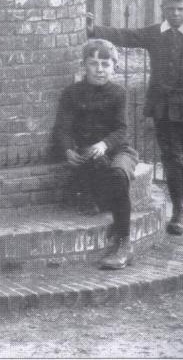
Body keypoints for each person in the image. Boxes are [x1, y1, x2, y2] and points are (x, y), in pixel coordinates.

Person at [88, 0, 183, 235]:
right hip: (163, 107)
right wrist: (93, 29)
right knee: (172, 157)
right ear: (162, 8)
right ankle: (178, 211)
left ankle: (182, 206)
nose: (175, 13)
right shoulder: (155, 33)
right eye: (170, 8)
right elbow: (124, 35)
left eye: (180, 9)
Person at [52, 39, 139, 269]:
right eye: (93, 63)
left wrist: (104, 143)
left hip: (118, 149)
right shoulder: (72, 93)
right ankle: (101, 200)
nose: (100, 69)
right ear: (84, 65)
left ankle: (124, 243)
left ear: (114, 67)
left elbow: (121, 129)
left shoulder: (118, 93)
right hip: (89, 152)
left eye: (105, 64)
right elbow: (63, 128)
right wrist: (68, 149)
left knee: (119, 173)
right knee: (96, 168)